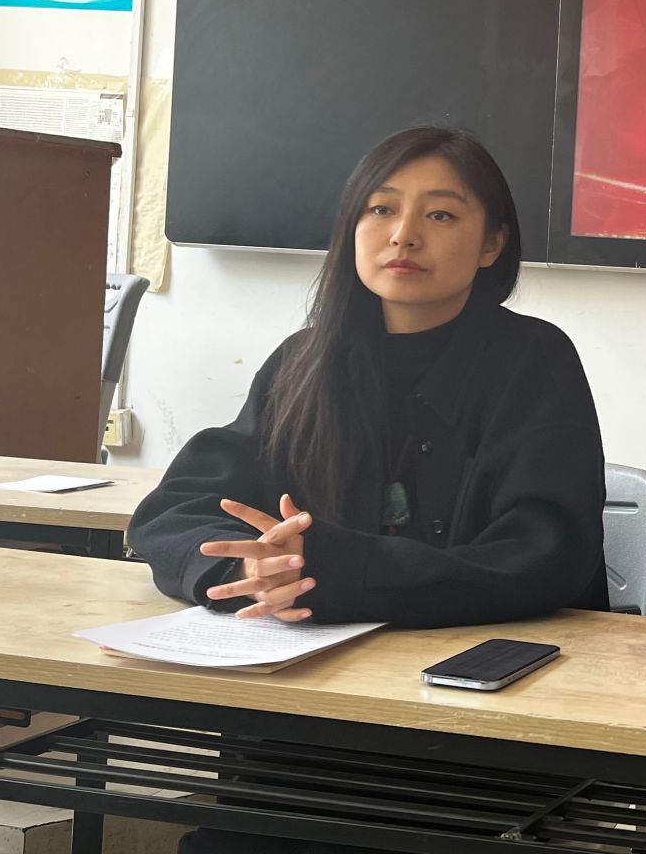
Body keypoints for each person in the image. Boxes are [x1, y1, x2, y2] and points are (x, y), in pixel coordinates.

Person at [130, 125, 608, 631]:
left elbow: (544, 557)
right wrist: (252, 570)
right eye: (381, 209)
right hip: (320, 661)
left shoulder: (535, 362)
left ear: (491, 243)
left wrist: (339, 570)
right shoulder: (302, 362)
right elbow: (172, 512)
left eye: (440, 215)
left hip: (490, 656)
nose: (403, 234)